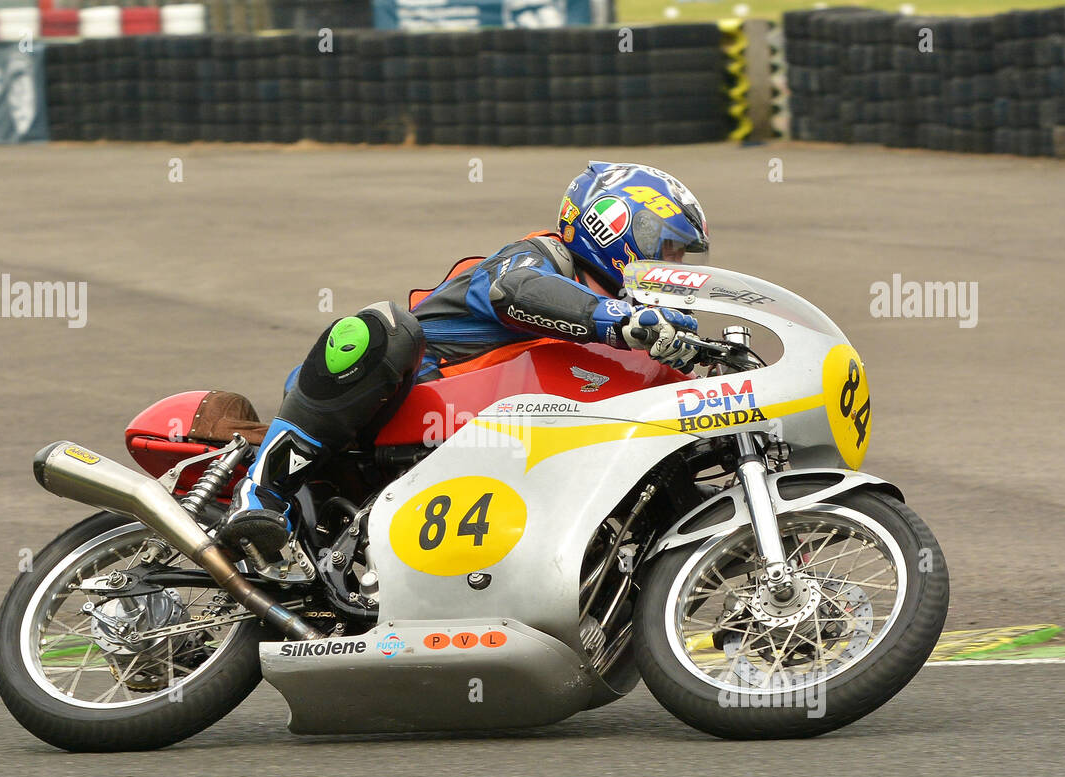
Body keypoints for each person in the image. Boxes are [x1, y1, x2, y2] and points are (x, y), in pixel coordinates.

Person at [222, 161, 711, 559]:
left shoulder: (634, 331)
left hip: (492, 461)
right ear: (614, 225)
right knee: (380, 329)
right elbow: (514, 293)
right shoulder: (536, 260)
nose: (675, 267)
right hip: (390, 408)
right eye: (668, 249)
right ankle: (261, 493)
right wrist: (622, 320)